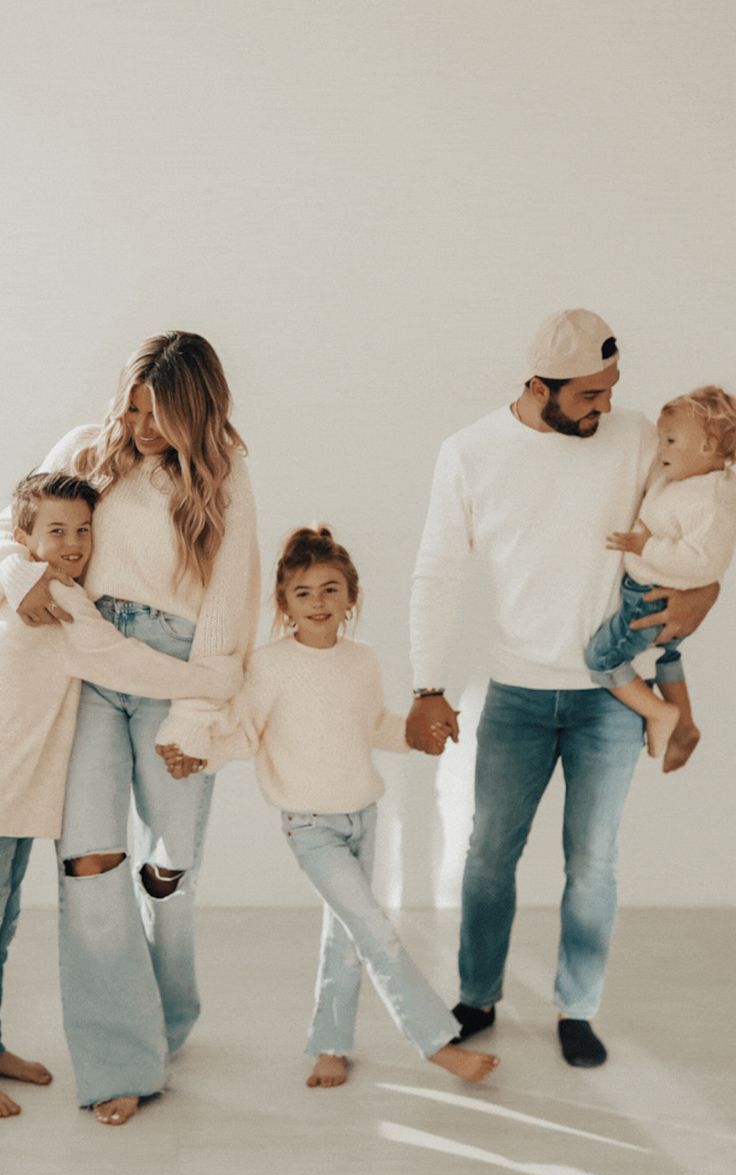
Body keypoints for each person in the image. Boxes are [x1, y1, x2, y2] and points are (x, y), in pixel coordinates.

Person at [407, 309, 719, 1067]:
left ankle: (578, 1009)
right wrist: (427, 686)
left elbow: (701, 519)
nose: (606, 407)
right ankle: (477, 995)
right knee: (487, 856)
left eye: (611, 389)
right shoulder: (471, 453)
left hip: (609, 699)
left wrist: (704, 596)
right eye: (588, 395)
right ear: (540, 387)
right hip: (514, 692)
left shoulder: (641, 436)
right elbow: (438, 572)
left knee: (595, 861)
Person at [0, 331, 259, 1125]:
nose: (144, 424)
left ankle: (166, 1019)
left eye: (162, 410)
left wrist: (196, 713)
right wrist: (21, 580)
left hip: (176, 673)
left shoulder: (225, 475)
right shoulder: (87, 448)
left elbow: (232, 597)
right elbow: (20, 524)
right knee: (90, 864)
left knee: (169, 872)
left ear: (197, 407)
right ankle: (120, 1060)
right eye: (135, 405)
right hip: (90, 663)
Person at [160, 526, 499, 1088]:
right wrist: (200, 753)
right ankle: (436, 1041)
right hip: (310, 825)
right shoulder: (269, 665)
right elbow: (244, 733)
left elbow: (373, 727)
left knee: (346, 935)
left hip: (363, 816)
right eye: (303, 592)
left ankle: (331, 1043)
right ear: (283, 603)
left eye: (330, 589)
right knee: (374, 928)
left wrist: (419, 737)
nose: (318, 602)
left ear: (351, 597)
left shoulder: (361, 660)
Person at [586, 386, 736, 767]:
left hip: (652, 600)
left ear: (706, 447)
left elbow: (705, 562)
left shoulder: (710, 500)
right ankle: (684, 726)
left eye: (670, 441)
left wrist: (644, 548)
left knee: (602, 658)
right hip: (653, 595)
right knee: (666, 656)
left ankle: (660, 713)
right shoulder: (686, 477)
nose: (661, 449)